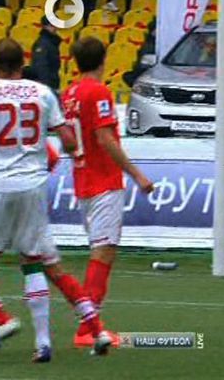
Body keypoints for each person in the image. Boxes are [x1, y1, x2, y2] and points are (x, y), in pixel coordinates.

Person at [0, 38, 112, 360]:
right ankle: (44, 342)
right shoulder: (42, 92)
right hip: (34, 186)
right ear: (24, 61)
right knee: (34, 262)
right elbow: (68, 141)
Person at [61, 37, 155, 347]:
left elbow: (67, 140)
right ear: (104, 59)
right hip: (103, 181)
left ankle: (89, 326)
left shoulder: (69, 94)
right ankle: (90, 328)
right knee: (104, 250)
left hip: (82, 179)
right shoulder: (98, 92)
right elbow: (105, 138)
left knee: (100, 248)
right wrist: (137, 175)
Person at [29, 17, 62, 91]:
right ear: (45, 26)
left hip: (52, 83)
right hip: (46, 86)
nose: (55, 27)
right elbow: (41, 66)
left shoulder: (53, 42)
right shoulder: (43, 44)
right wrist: (46, 87)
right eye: (52, 25)